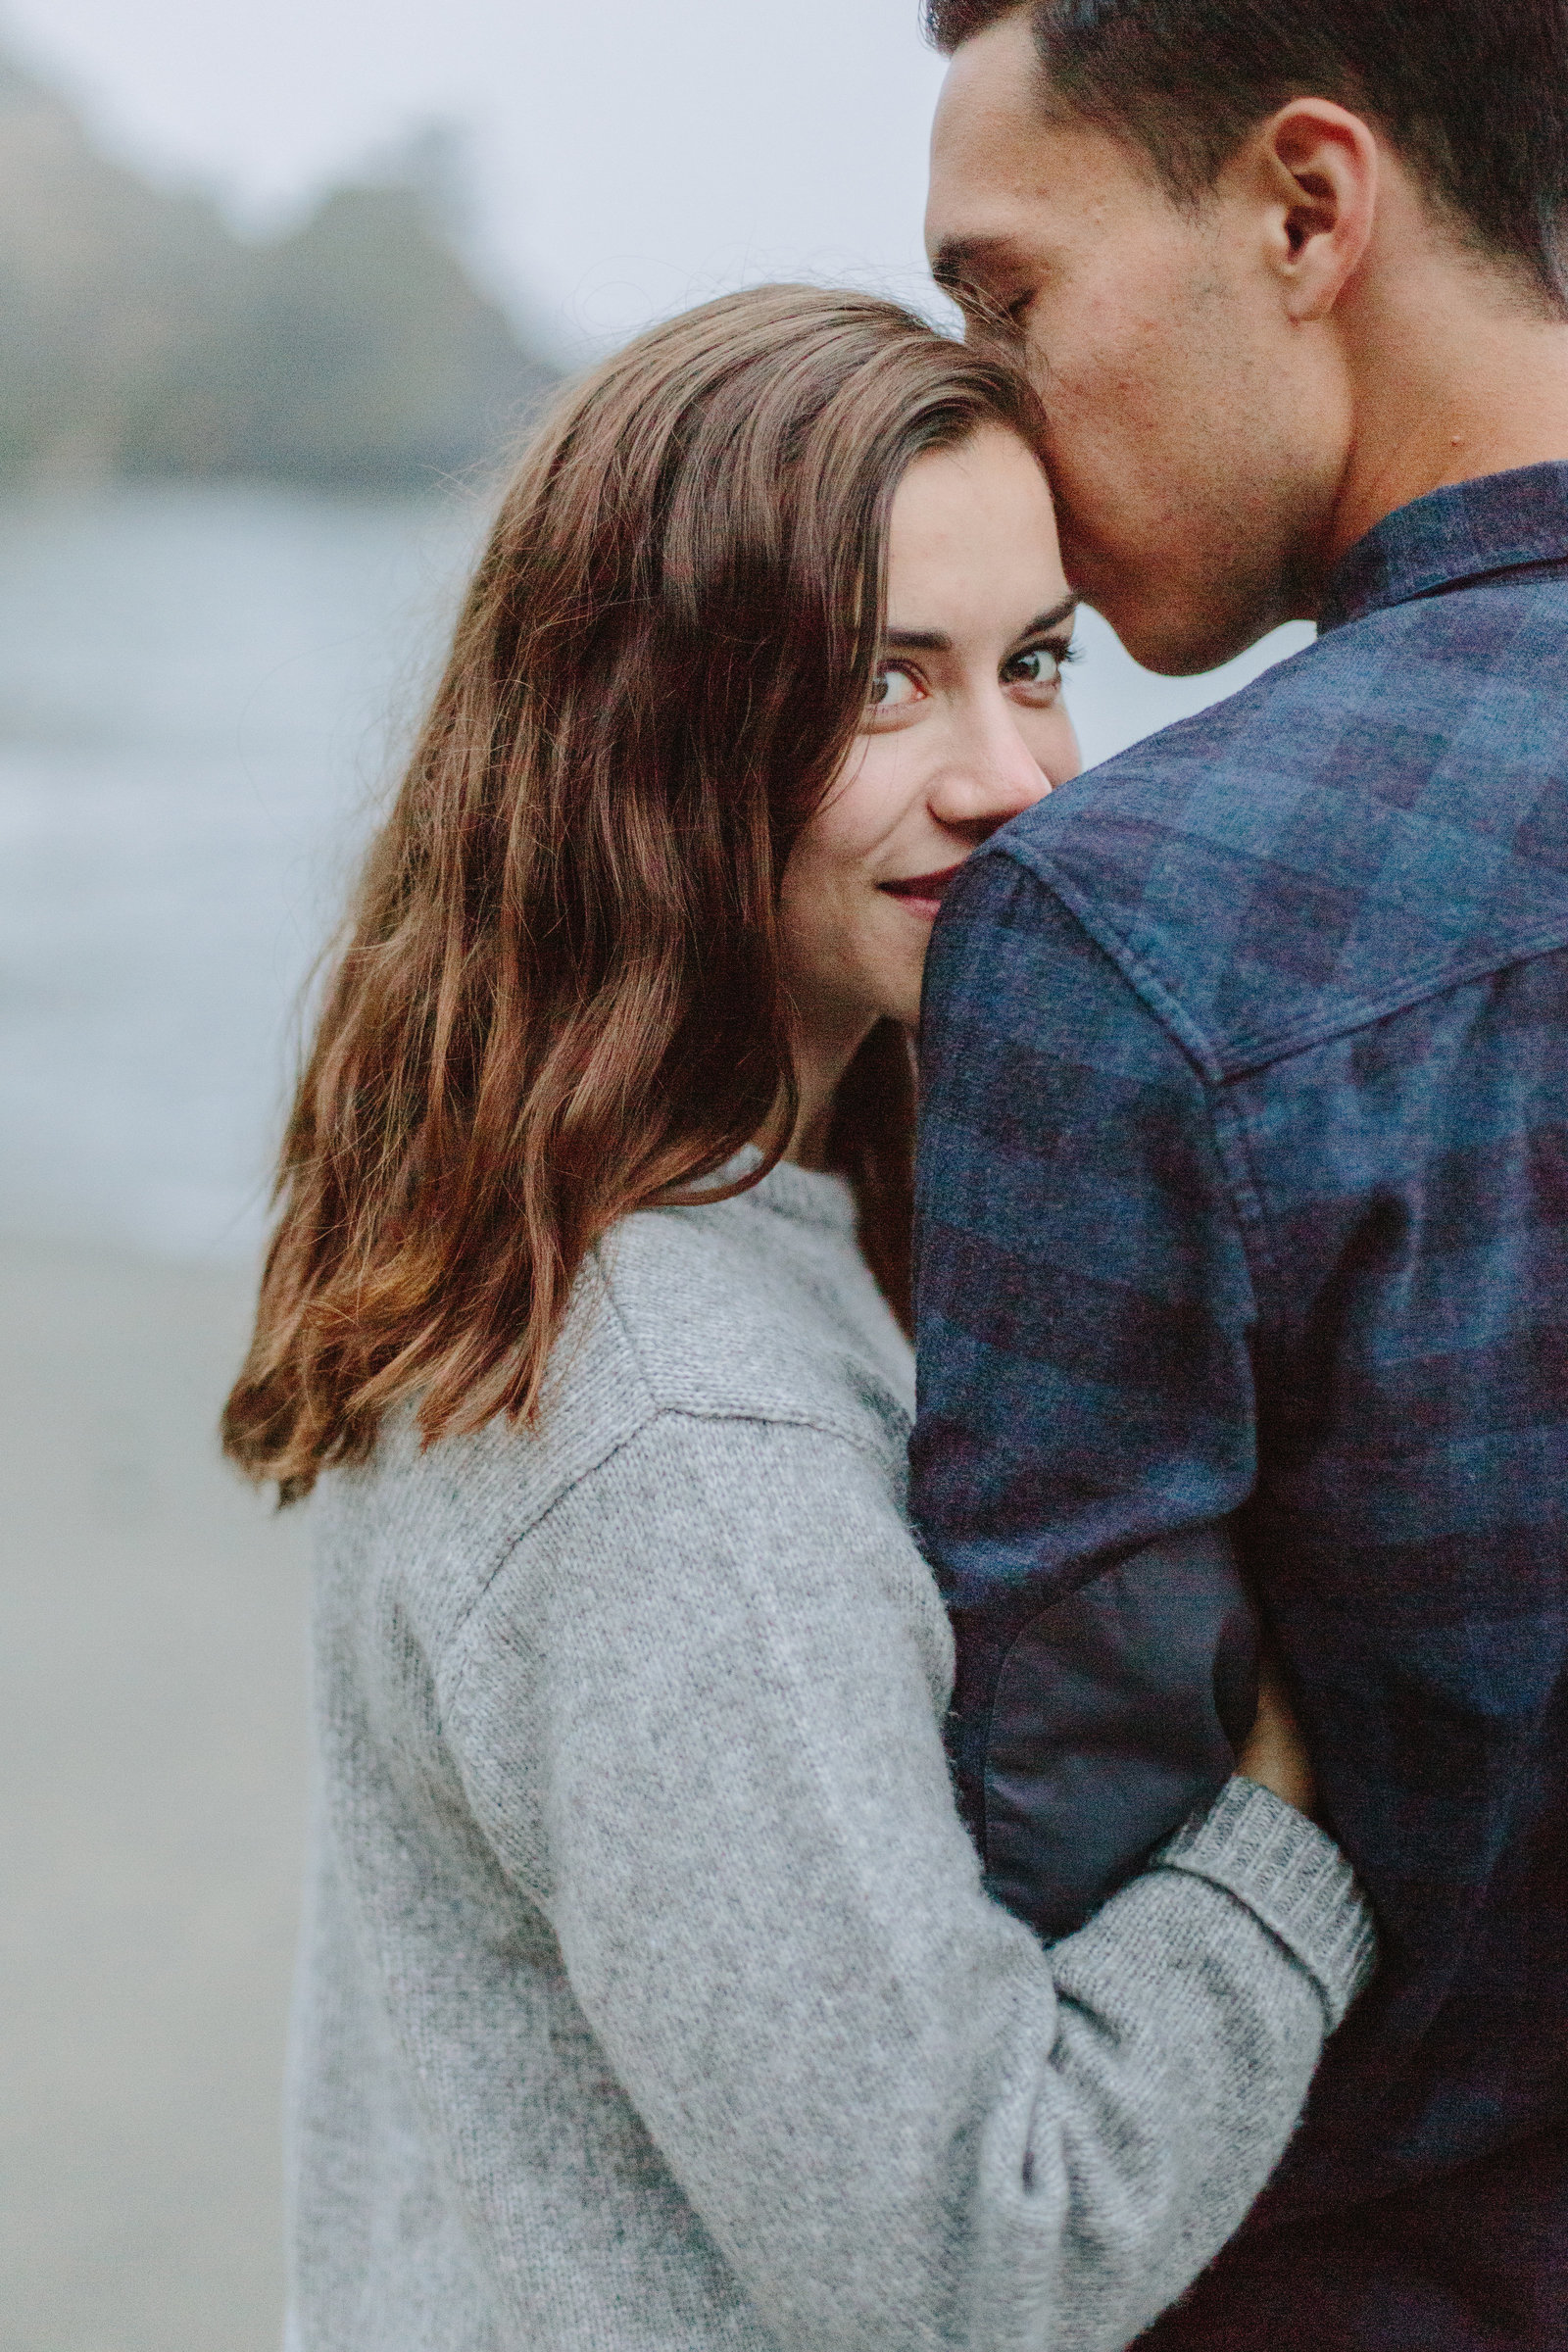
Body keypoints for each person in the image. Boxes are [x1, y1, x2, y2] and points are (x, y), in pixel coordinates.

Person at [223, 287, 1373, 2352]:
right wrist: (1288, 1826)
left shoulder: (645, 1210)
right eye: (880, 689)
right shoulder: (672, 1425)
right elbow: (977, 2253)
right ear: (646, 729)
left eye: (1033, 665)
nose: (1013, 776)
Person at [913, 5, 1568, 2347]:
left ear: (1306, 210)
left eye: (1006, 299)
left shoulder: (1132, 929)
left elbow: (1052, 1878)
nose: (989, 400)